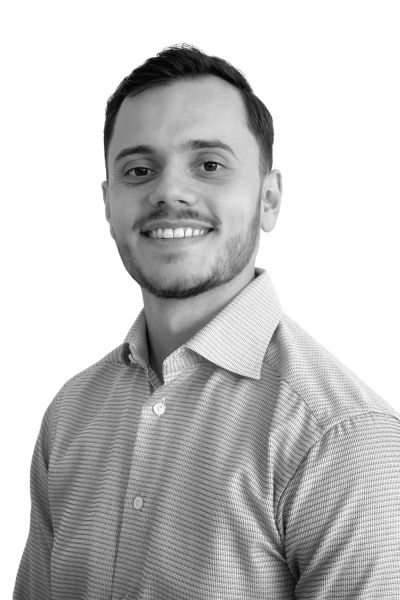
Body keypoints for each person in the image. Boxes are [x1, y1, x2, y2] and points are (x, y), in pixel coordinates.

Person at [14, 44, 400, 600]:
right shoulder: (70, 414)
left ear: (269, 200)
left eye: (210, 165)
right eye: (139, 170)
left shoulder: (341, 440)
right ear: (108, 204)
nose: (169, 191)